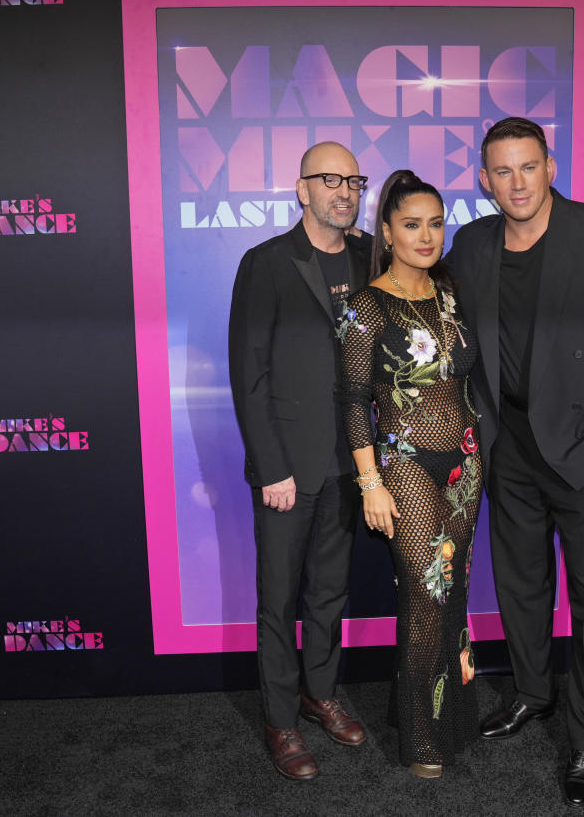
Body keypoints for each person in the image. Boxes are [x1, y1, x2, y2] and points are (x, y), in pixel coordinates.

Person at [446, 118, 584, 807]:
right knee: (521, 584)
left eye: (528, 168)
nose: (516, 183)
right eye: (501, 171)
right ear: (484, 179)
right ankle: (534, 694)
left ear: (550, 166)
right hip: (508, 445)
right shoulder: (472, 243)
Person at [228, 141, 371, 781]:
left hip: (354, 463)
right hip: (288, 465)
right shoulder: (266, 263)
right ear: (301, 188)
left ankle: (320, 693)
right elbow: (249, 373)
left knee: (331, 592)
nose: (344, 190)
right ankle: (281, 720)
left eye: (354, 180)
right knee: (279, 597)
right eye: (330, 179)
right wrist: (271, 465)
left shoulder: (374, 255)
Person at [339, 170, 482, 779]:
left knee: (454, 598)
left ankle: (445, 715)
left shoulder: (449, 292)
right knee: (425, 596)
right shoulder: (364, 304)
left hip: (467, 463)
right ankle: (423, 740)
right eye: (411, 225)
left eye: (435, 223)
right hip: (405, 466)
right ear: (389, 232)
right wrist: (370, 483)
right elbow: (350, 401)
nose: (426, 236)